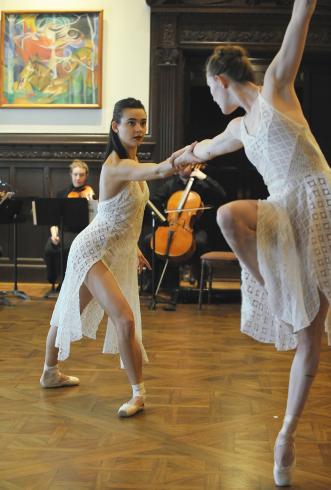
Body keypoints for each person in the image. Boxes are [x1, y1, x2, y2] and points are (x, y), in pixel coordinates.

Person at [174, 0, 330, 486]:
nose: (209, 93)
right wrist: (182, 155)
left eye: (208, 86)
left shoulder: (278, 91)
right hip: (283, 211)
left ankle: (286, 437)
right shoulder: (238, 127)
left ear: (221, 80)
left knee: (312, 335)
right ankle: (270, 288)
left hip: (320, 206)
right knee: (226, 214)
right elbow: (207, 148)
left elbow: (298, 19)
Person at [40, 97, 192, 418]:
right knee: (122, 318)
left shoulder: (129, 164)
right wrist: (184, 158)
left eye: (142, 123)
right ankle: (138, 394)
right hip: (92, 250)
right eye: (131, 123)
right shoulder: (117, 166)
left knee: (70, 310)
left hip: (111, 247)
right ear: (115, 126)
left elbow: (116, 213)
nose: (139, 129)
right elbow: (160, 169)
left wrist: (132, 246)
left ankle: (50, 372)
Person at [141, 164, 226, 304]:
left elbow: (221, 194)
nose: (183, 168)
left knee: (201, 242)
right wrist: (164, 217)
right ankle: (151, 283)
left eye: (187, 165)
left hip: (194, 228)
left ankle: (200, 282)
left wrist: (205, 178)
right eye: (181, 165)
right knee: (148, 241)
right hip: (171, 226)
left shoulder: (202, 184)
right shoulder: (170, 185)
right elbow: (155, 201)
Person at [43, 160, 95, 296]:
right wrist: (54, 234)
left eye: (81, 175)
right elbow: (53, 219)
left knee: (66, 248)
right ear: (71, 175)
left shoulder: (91, 194)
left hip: (81, 232)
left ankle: (66, 283)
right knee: (49, 249)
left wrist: (91, 202)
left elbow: (94, 219)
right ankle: (52, 279)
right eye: (76, 174)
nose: (78, 178)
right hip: (63, 231)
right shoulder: (62, 194)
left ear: (86, 176)